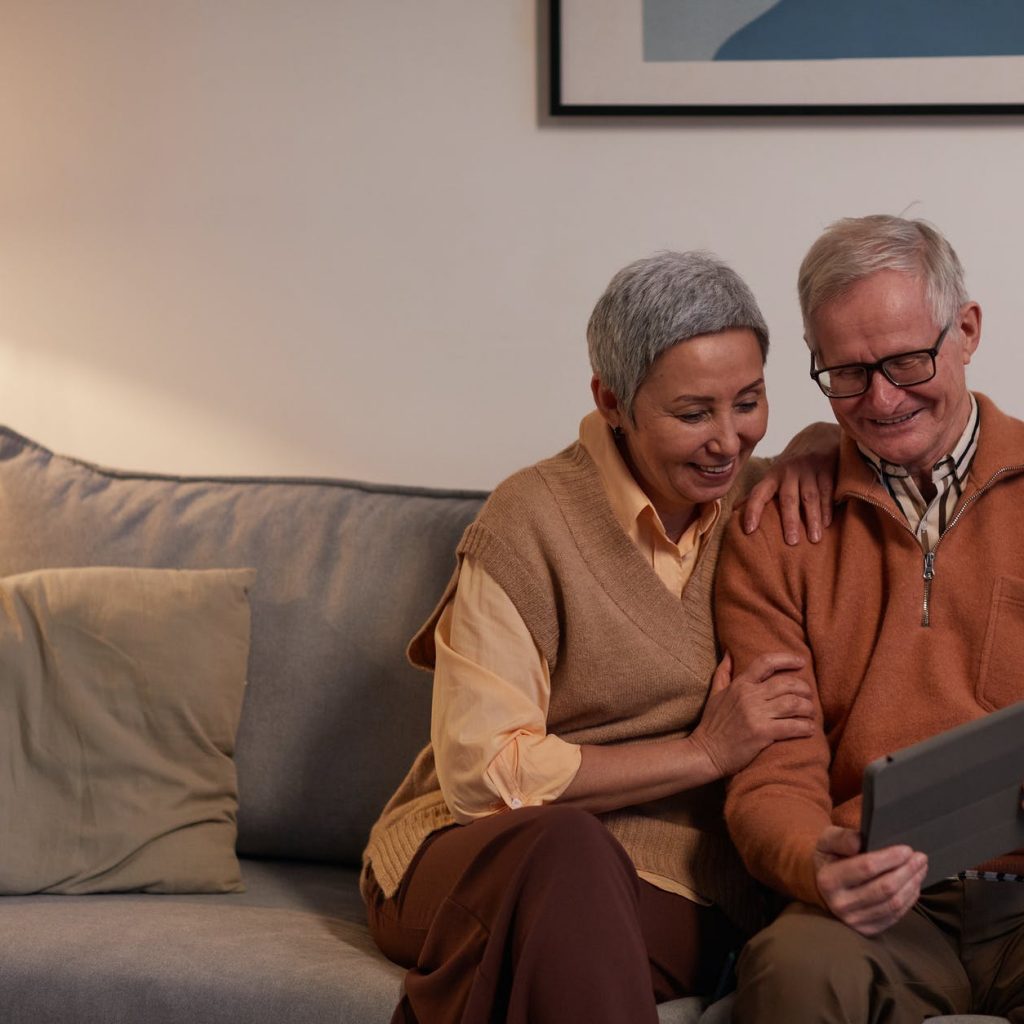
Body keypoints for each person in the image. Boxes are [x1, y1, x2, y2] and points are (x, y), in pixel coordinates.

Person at [362, 250, 835, 1024]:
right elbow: (484, 774)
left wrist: (823, 442)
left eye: (748, 401)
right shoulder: (528, 521)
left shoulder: (770, 503)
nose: (728, 440)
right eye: (693, 414)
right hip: (474, 857)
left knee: (571, 914)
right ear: (611, 401)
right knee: (569, 849)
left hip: (677, 885)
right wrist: (702, 754)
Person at [716, 214, 1024, 1023]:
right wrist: (812, 860)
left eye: (906, 361)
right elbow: (772, 770)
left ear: (966, 331)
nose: (881, 400)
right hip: (884, 908)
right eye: (846, 375)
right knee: (790, 970)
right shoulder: (776, 529)